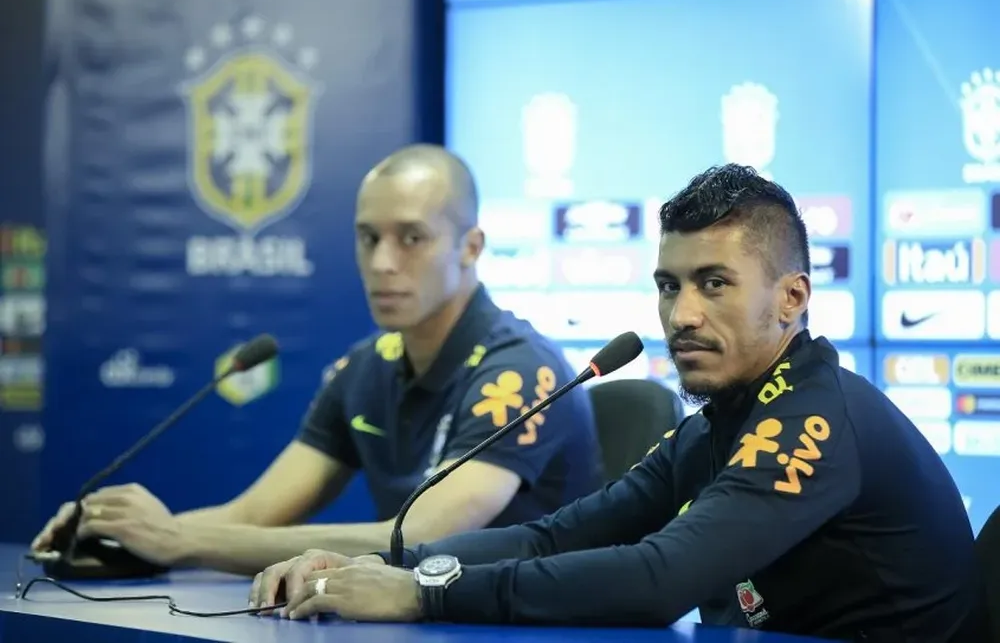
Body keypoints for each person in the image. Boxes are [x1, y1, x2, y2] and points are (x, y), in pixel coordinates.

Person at [248, 164, 989, 642]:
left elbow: (659, 578)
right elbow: (551, 539)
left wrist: (423, 593)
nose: (682, 314)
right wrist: (380, 560)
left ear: (792, 297)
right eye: (670, 285)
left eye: (714, 283)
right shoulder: (717, 425)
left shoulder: (814, 418)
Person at [31, 144, 604, 576]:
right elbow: (254, 512)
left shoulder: (524, 372)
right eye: (367, 237)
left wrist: (177, 541)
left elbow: (420, 538)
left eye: (411, 238)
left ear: (470, 247)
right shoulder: (363, 368)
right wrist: (123, 534)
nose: (381, 262)